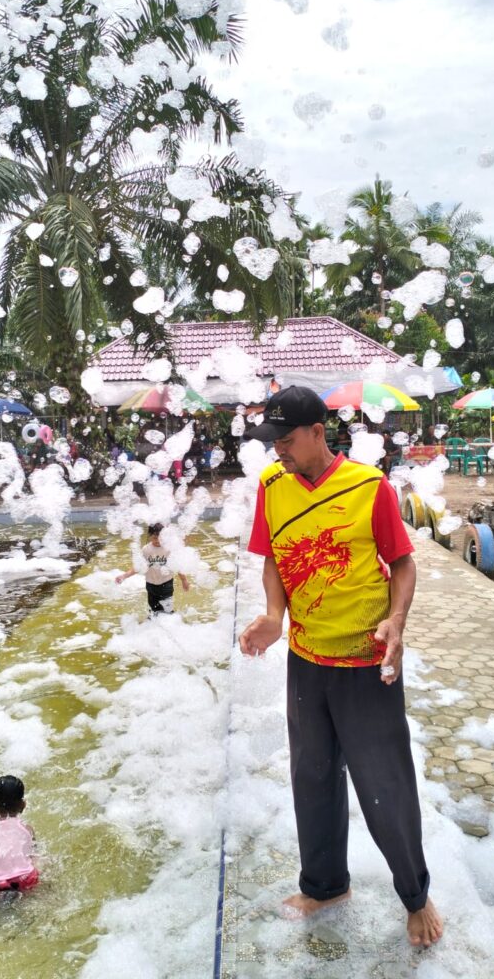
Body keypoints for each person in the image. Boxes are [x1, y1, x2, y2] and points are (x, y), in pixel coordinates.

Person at [239, 385, 443, 949]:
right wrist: (274, 616)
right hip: (306, 660)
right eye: (271, 440)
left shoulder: (367, 487)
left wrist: (396, 622)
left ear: (316, 433)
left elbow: (401, 564)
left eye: (284, 440)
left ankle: (416, 895)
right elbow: (276, 559)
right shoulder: (272, 486)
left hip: (364, 661)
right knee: (313, 777)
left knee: (385, 784)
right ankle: (326, 884)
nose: (276, 450)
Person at [115, 523, 190, 615]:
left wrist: (184, 580)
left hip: (166, 585)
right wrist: (124, 576)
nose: (158, 541)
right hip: (151, 585)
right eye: (155, 538)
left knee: (167, 610)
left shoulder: (168, 549)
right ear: (150, 536)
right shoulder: (146, 550)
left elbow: (177, 566)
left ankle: (172, 623)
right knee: (153, 611)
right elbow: (138, 567)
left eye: (160, 538)